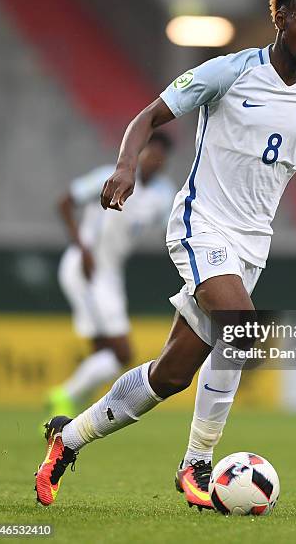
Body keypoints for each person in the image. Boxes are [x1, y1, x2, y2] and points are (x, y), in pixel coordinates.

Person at [35, 0, 296, 509]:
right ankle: (196, 465)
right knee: (243, 329)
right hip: (202, 223)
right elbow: (149, 116)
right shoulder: (227, 72)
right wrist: (125, 167)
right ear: (279, 19)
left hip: (252, 244)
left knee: (169, 375)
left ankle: (68, 437)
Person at [47, 132, 175, 417]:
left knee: (104, 352)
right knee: (121, 352)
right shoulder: (111, 176)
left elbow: (172, 230)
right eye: (150, 153)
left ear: (165, 162)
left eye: (160, 157)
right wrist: (82, 247)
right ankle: (64, 397)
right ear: (140, 154)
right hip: (86, 268)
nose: (154, 160)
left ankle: (68, 410)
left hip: (111, 273)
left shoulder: (163, 195)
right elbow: (65, 202)